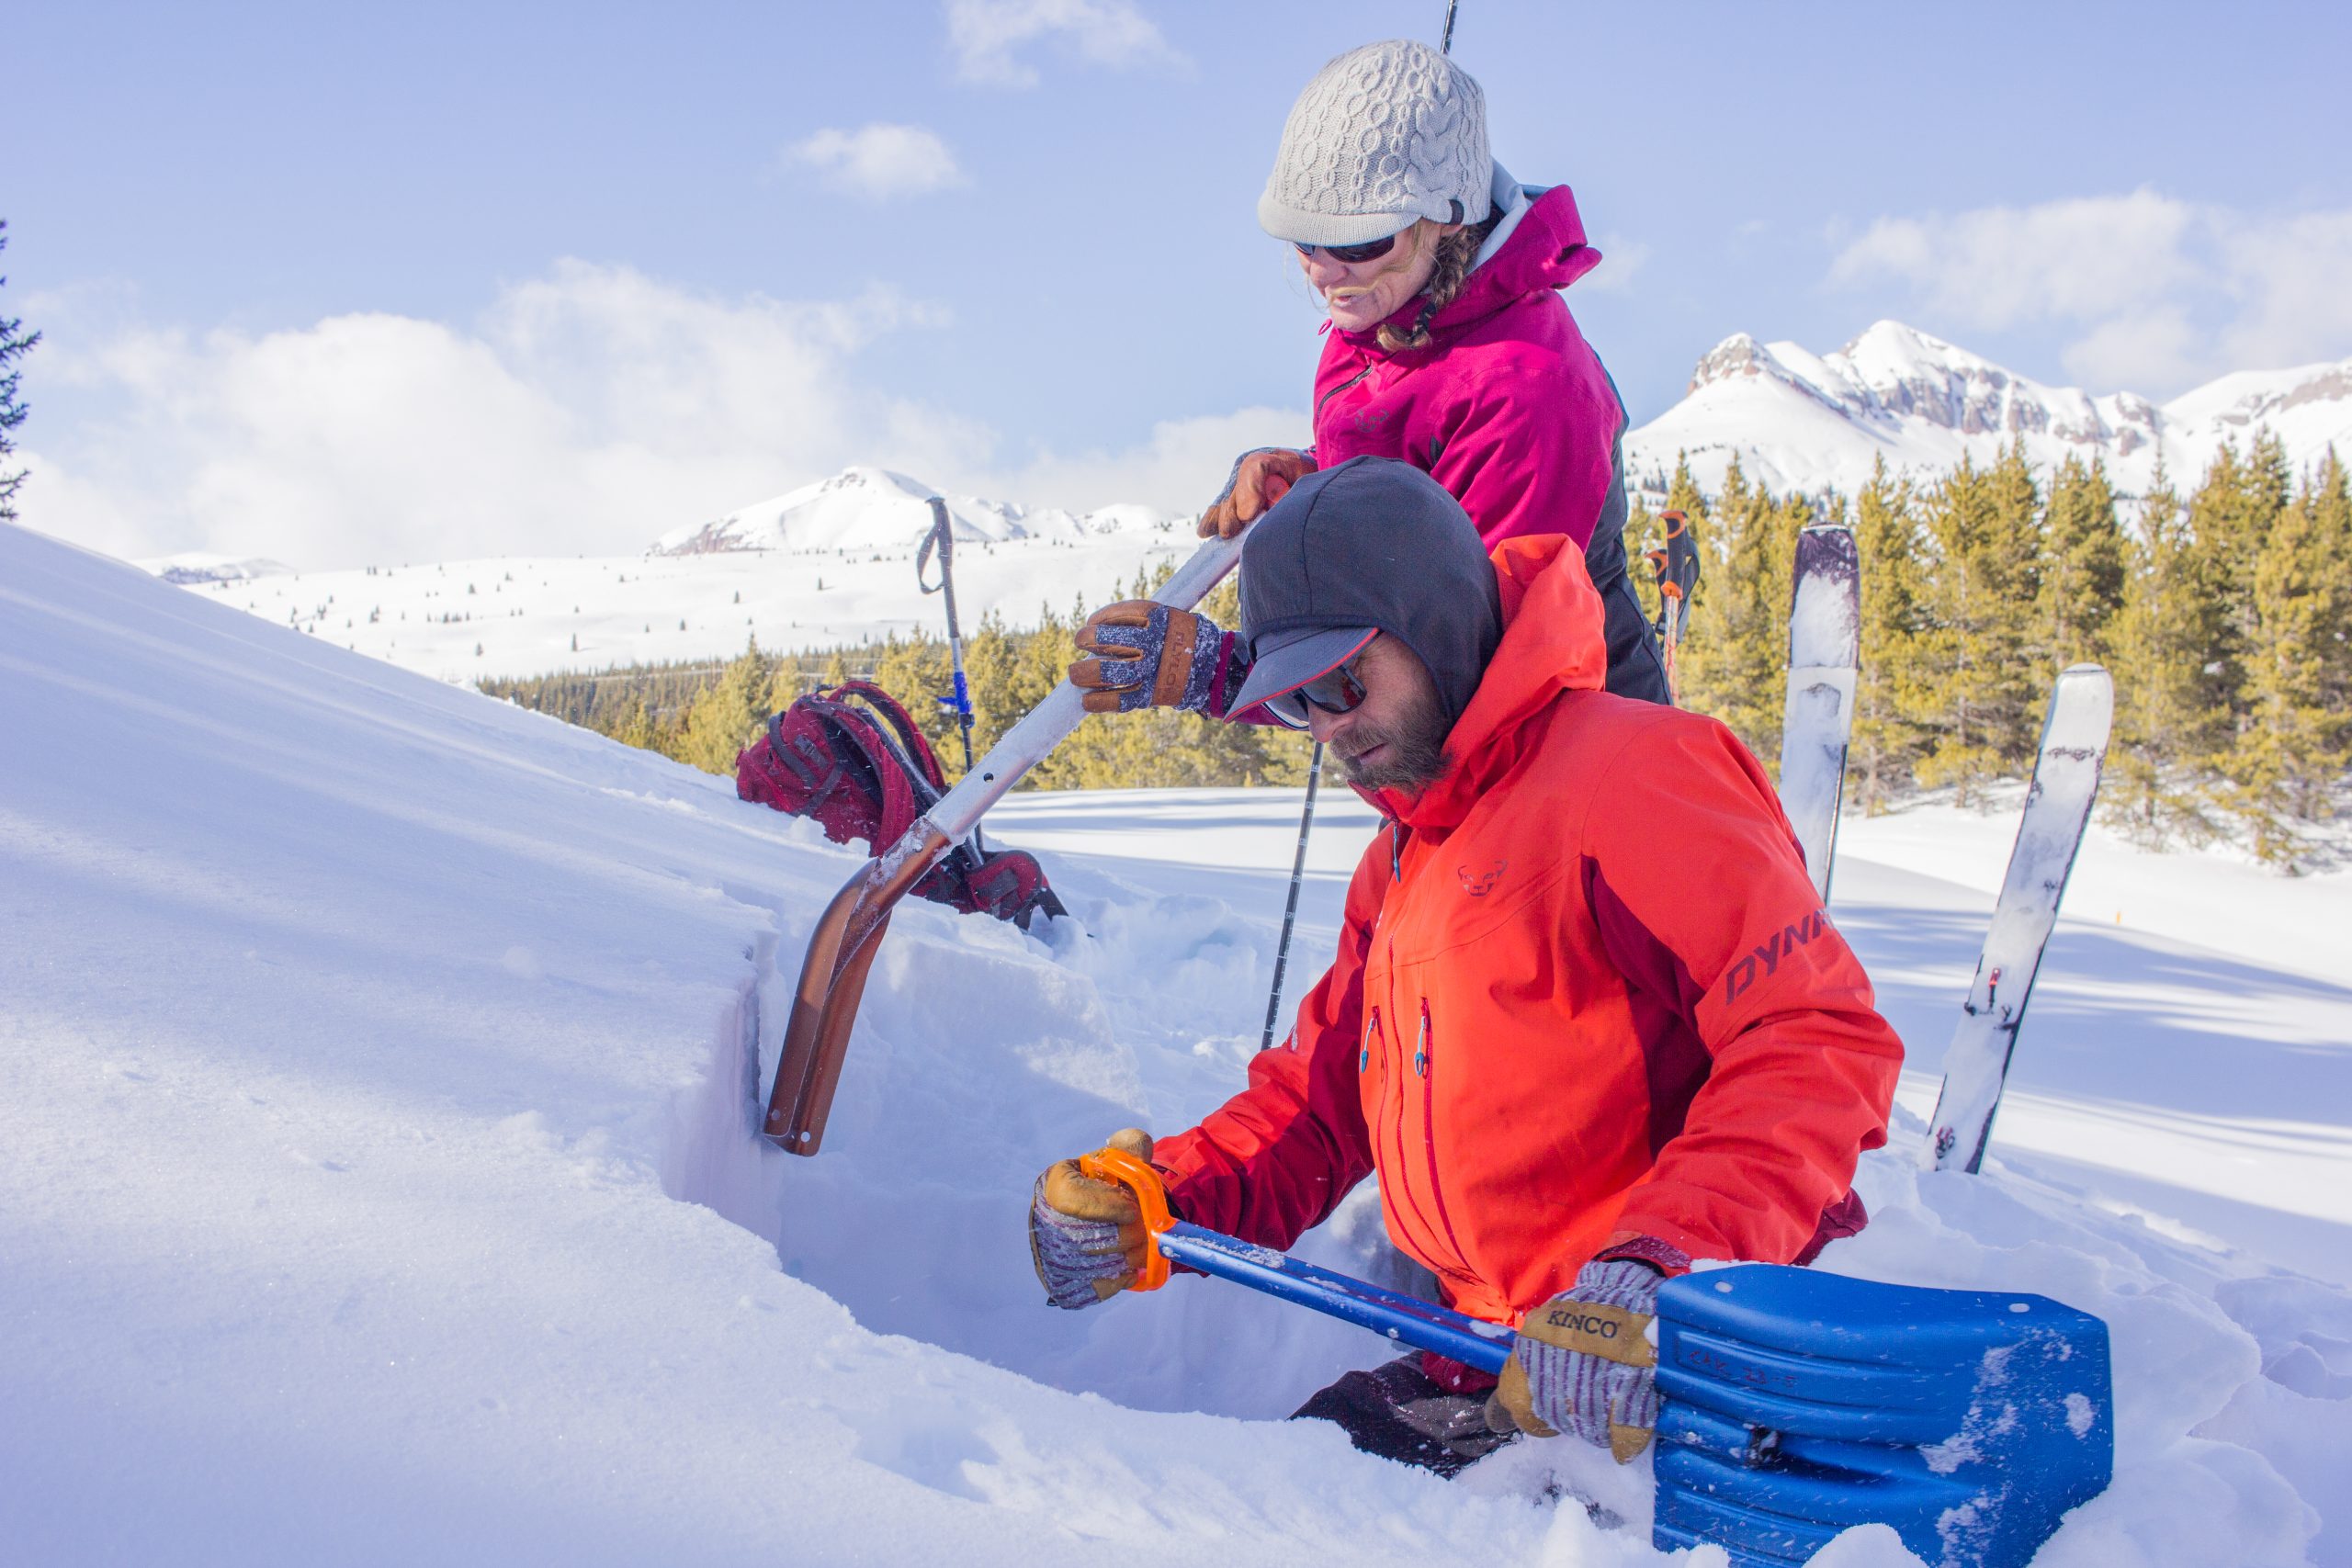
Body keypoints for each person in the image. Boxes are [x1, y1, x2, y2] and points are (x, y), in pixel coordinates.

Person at [1030, 458, 1904, 1476]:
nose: (1328, 725)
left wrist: (1657, 1270)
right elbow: (1325, 1104)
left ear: (1435, 623)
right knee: (1266, 1500)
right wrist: (1166, 1194)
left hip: (1690, 1367)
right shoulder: (1404, 850)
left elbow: (1810, 1041)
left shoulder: (1633, 773)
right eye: (1297, 701)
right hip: (1493, 1361)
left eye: (1343, 680)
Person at [1187, 38, 1668, 710]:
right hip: (1451, 776)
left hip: (1568, 752)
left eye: (1358, 241)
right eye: (1304, 239)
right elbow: (1420, 486)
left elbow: (1453, 671)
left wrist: (1226, 674)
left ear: (1446, 219)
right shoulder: (1389, 313)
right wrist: (1321, 485)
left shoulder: (1527, 390)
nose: (1323, 272)